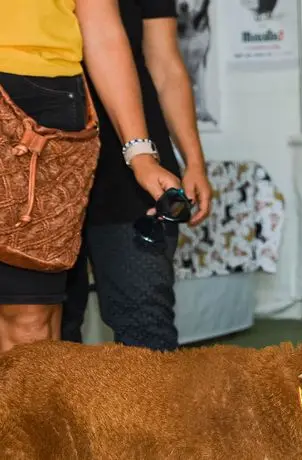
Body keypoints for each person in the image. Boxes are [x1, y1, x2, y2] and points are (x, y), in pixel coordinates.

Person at [0, 0, 182, 352]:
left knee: (30, 319)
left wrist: (140, 153)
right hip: (42, 98)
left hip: (37, 99)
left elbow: (102, 30)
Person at [61, 0, 212, 351]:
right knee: (52, 331)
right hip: (46, 152)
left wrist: (194, 160)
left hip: (134, 166)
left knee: (147, 324)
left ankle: (156, 408)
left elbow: (166, 64)